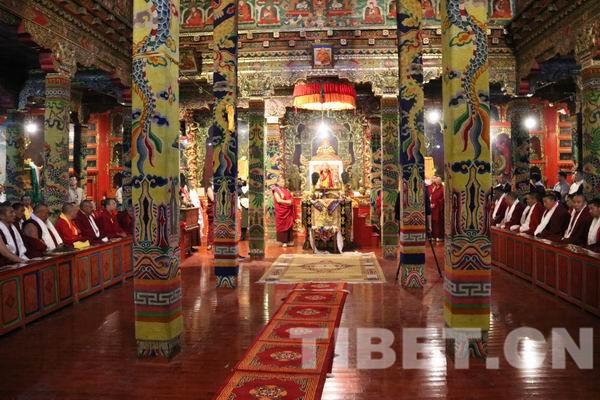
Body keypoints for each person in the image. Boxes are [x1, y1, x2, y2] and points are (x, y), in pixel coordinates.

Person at [273, 176, 296, 247]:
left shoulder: (286, 190)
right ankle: (283, 241)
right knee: (282, 225)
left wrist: (291, 201)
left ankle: (289, 240)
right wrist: (288, 202)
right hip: (281, 211)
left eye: (284, 182)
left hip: (288, 211)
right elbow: (278, 200)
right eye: (282, 182)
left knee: (289, 225)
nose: (283, 183)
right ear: (278, 182)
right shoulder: (276, 190)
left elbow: (291, 198)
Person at [429, 176, 444, 241]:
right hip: (433, 208)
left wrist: (436, 203)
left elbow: (443, 199)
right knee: (433, 222)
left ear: (440, 181)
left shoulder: (442, 188)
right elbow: (432, 196)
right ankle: (434, 236)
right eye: (436, 181)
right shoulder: (435, 188)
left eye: (438, 181)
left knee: (438, 222)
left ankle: (439, 236)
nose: (437, 182)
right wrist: (431, 203)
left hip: (439, 209)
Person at [206, 182, 215, 250]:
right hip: (212, 210)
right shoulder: (210, 189)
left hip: (217, 210)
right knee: (211, 227)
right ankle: (210, 243)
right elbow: (213, 199)